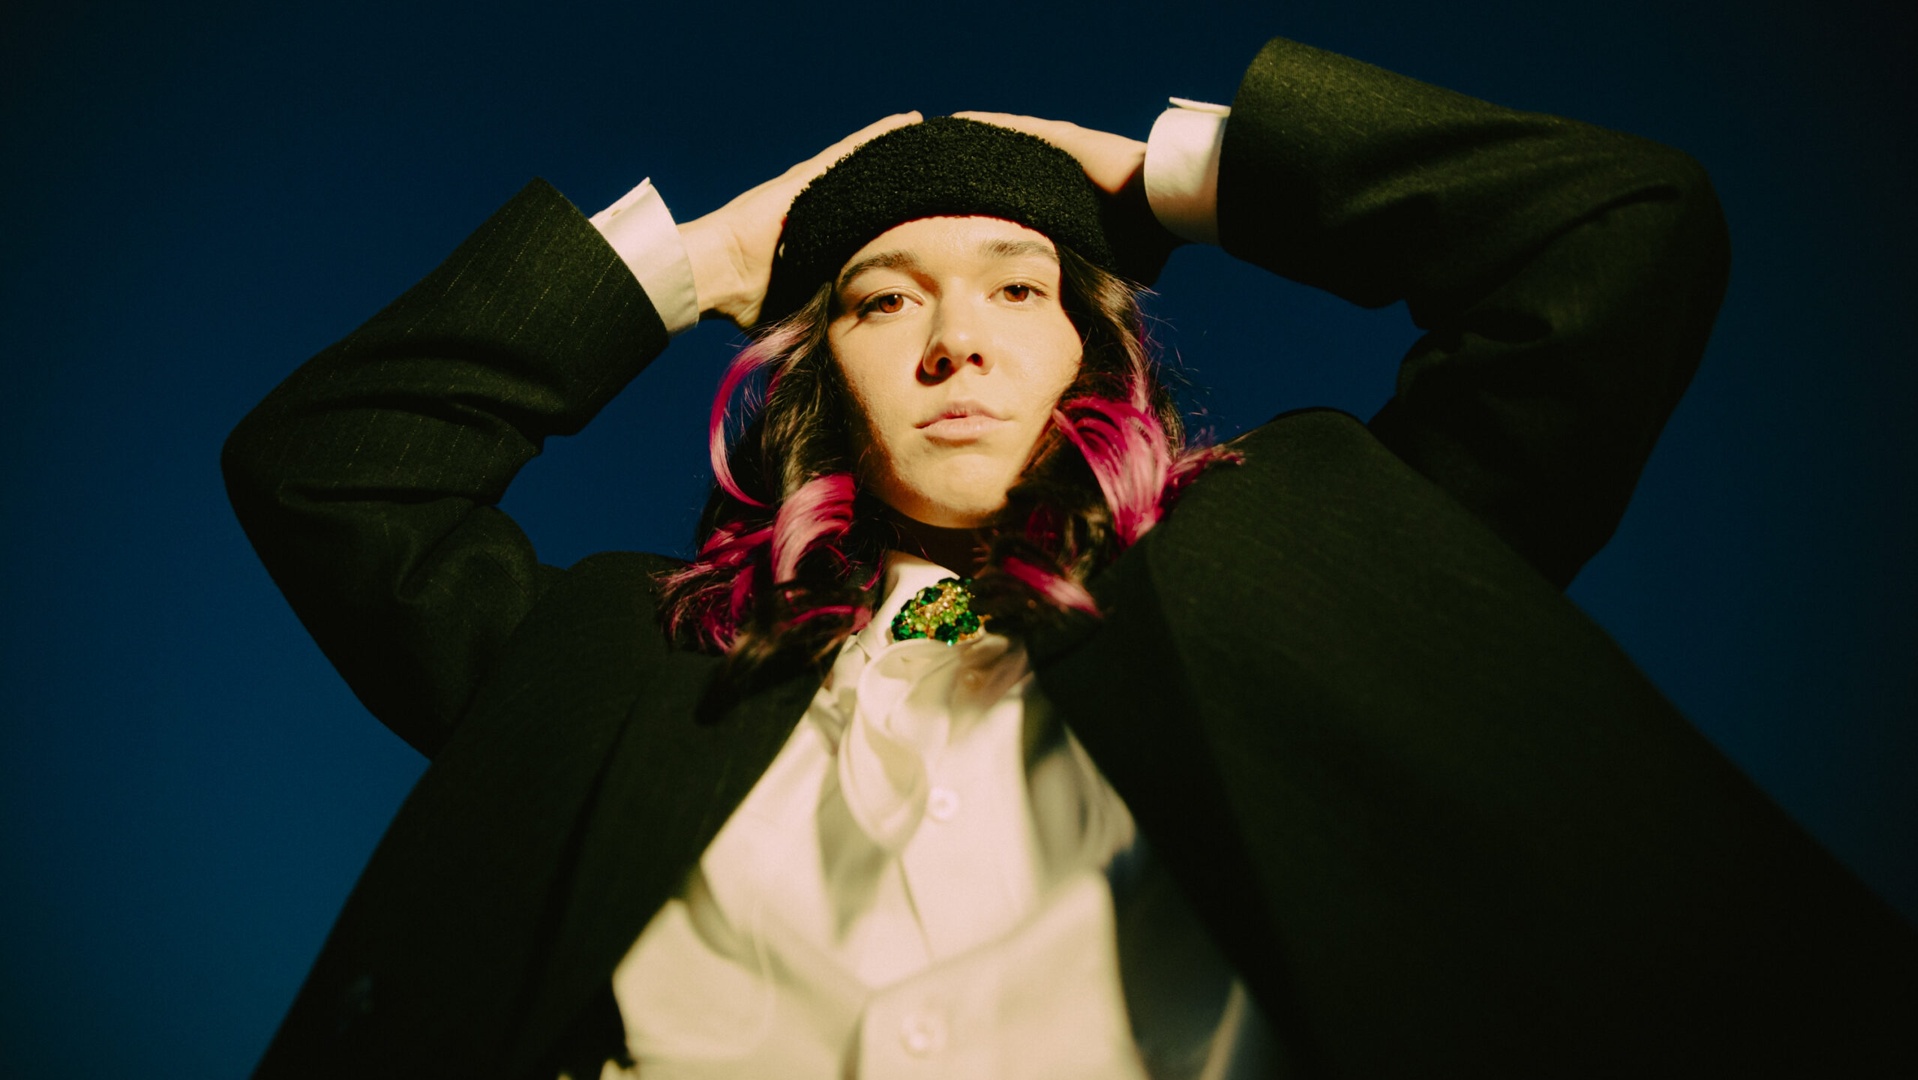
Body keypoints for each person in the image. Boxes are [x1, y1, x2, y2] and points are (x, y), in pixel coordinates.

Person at [225, 36, 1915, 1080]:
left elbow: (1614, 231)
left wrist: (1167, 180)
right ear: (815, 376)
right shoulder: (631, 656)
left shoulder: (1324, 547)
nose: (954, 337)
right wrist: (712, 256)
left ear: (1092, 353)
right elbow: (330, 468)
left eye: (1018, 287)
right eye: (882, 301)